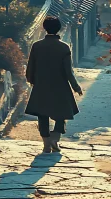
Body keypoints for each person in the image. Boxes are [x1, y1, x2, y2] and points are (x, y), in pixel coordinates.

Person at [25, 16, 83, 153]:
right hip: (60, 86)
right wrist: (76, 87)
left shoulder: (37, 46)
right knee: (61, 115)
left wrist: (32, 80)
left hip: (41, 85)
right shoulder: (64, 47)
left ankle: (46, 144)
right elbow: (68, 72)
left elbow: (30, 67)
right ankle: (54, 139)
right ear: (59, 29)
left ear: (44, 28)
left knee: (42, 115)